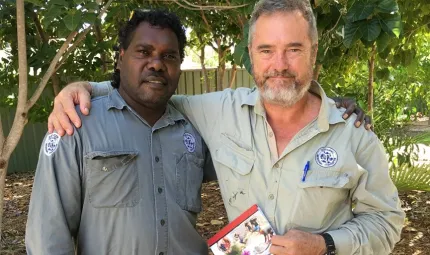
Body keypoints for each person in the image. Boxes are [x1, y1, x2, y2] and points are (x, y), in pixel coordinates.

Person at [47, 0, 405, 254]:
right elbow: (147, 89)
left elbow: (387, 223)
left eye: (293, 49)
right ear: (250, 53)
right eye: (266, 50)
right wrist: (82, 88)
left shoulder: (353, 133)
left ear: (313, 52)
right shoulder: (219, 110)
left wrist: (324, 245)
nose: (279, 64)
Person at [25, 10, 216, 255]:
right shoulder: (75, 126)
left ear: (179, 66)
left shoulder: (195, 129)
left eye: (169, 56)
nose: (157, 64)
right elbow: (47, 238)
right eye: (144, 52)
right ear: (120, 58)